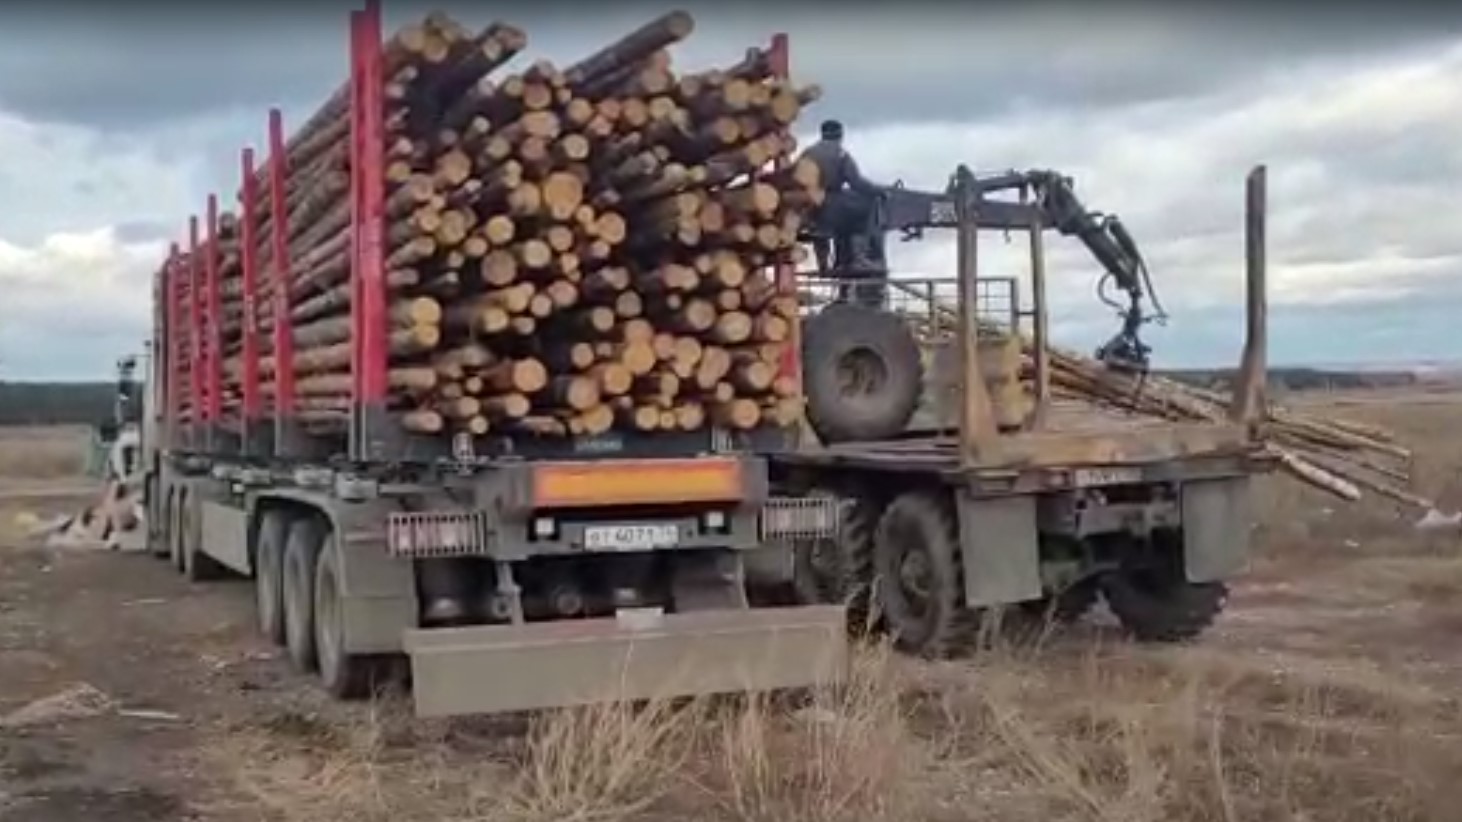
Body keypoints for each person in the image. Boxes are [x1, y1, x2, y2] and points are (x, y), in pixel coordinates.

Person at [798, 119, 887, 306]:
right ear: (840, 135)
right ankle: (857, 258)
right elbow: (856, 182)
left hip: (809, 206)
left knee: (824, 229)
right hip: (832, 203)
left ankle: (826, 264)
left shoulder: (808, 153)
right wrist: (877, 191)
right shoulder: (840, 154)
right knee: (863, 209)